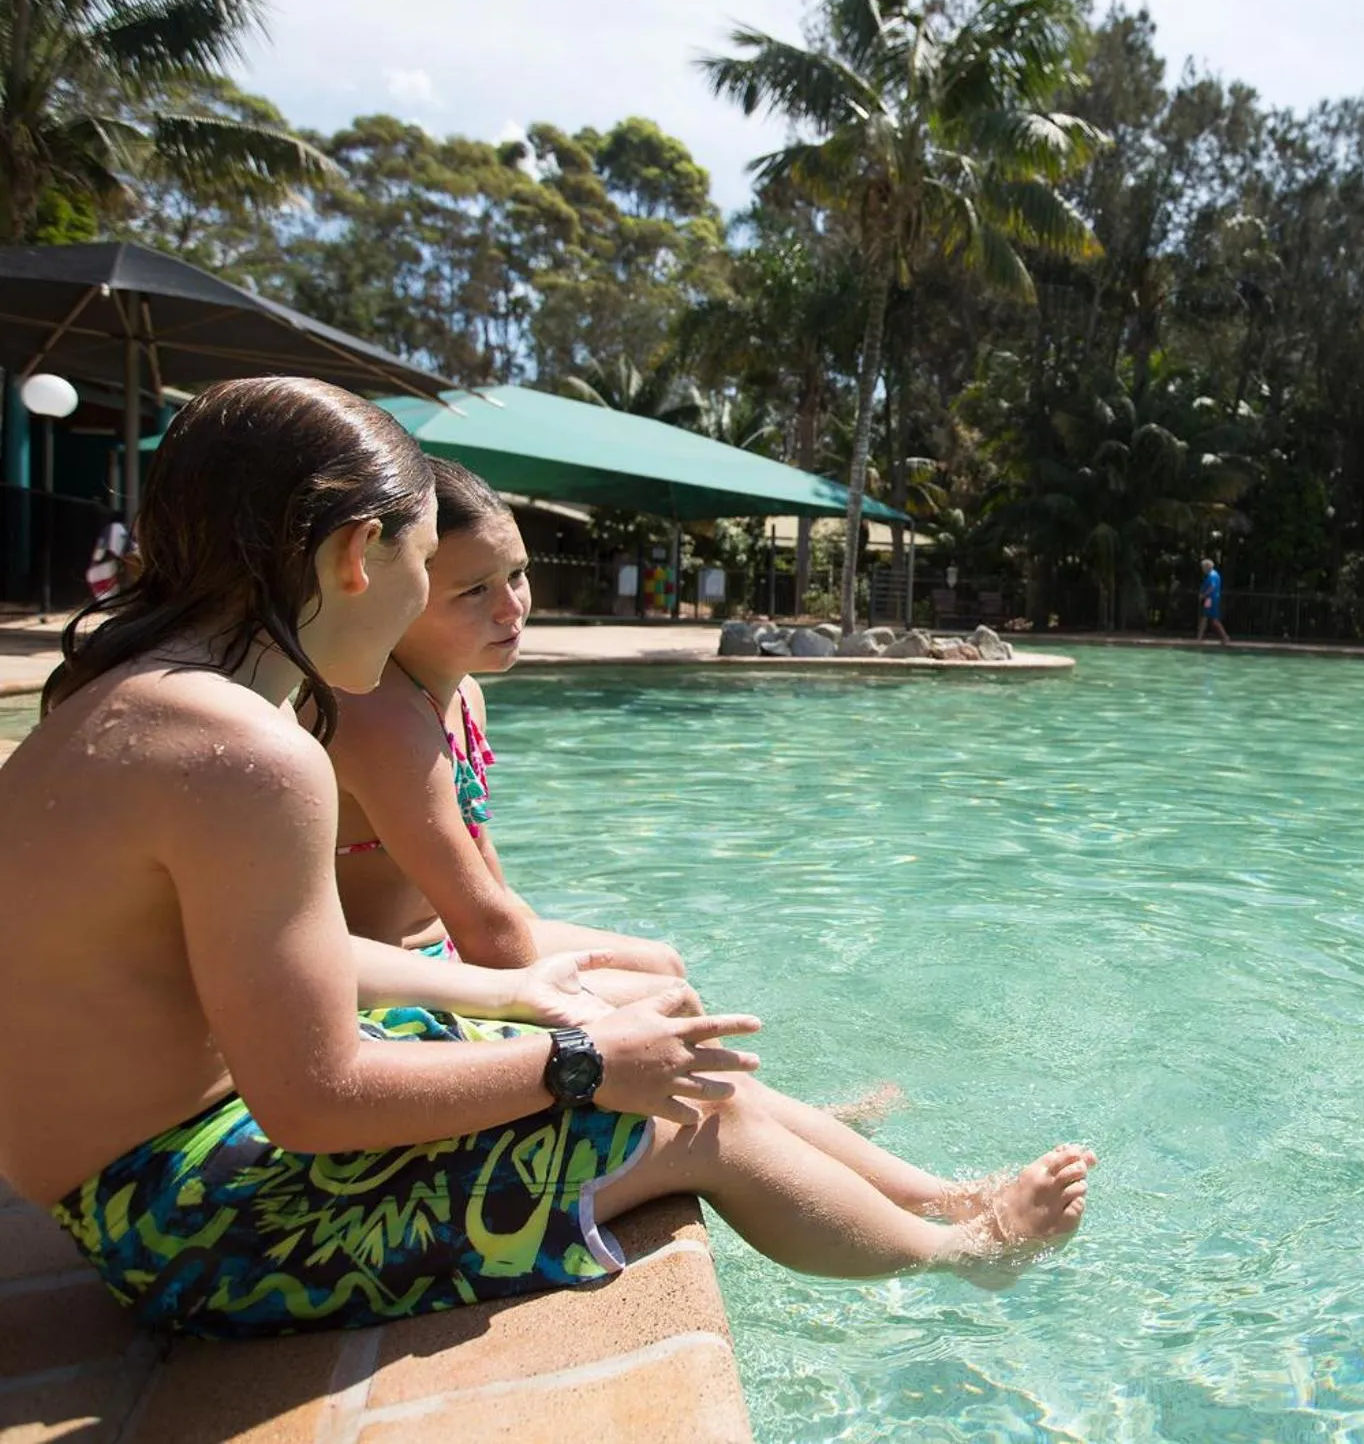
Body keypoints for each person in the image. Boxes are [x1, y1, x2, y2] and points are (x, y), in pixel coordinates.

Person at [0, 376, 1091, 1340]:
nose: (420, 604)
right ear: (352, 556)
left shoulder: (132, 705)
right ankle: (966, 1256)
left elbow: (285, 956)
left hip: (138, 1180)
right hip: (190, 1230)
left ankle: (943, 1200)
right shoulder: (249, 754)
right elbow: (313, 1099)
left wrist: (511, 989)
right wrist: (577, 1065)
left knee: (655, 1054)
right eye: (425, 568)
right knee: (684, 1112)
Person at [327, 458, 681, 977]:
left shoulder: (464, 696)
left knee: (662, 966)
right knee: (659, 1003)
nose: (511, 608)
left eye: (517, 574)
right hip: (387, 972)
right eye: (474, 590)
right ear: (400, 590)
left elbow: (487, 879)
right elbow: (485, 930)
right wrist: (569, 1008)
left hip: (449, 944)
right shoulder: (377, 714)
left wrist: (557, 955)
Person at [83, 519, 131, 603]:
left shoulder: (108, 531)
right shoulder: (120, 531)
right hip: (107, 571)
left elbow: (98, 556)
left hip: (95, 572)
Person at [1196, 557, 1230, 646]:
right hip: (1210, 599)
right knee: (1206, 617)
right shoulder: (1213, 574)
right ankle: (1199, 637)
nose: (1203, 569)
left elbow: (1212, 587)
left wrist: (1203, 595)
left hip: (1210, 599)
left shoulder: (1212, 575)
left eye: (1203, 567)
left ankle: (1225, 637)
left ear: (1208, 566)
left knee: (1212, 619)